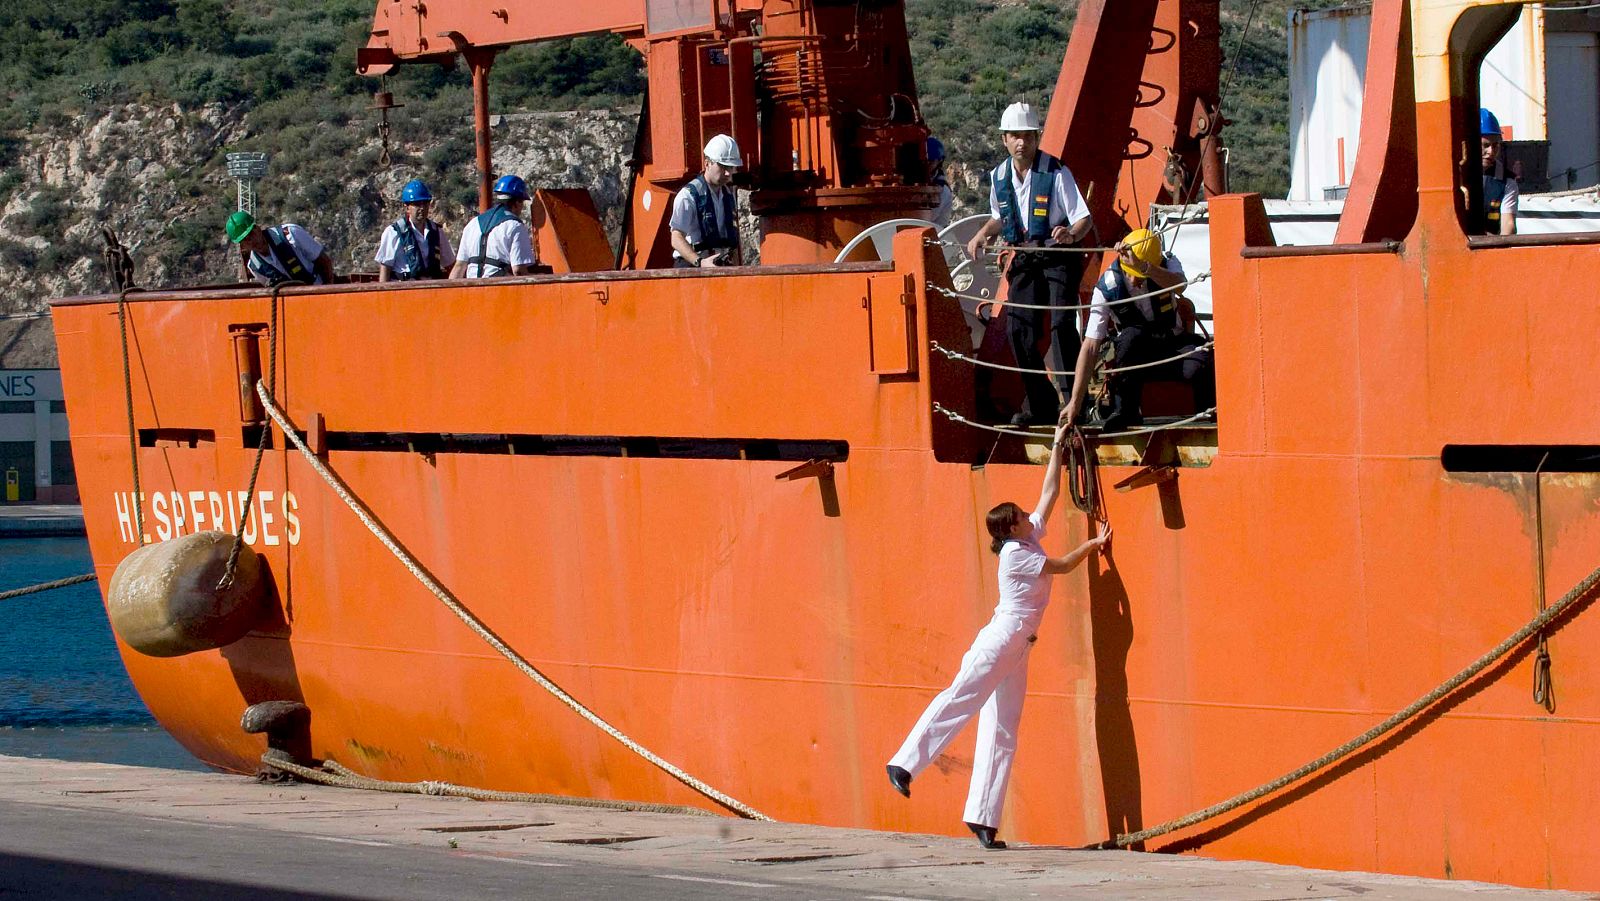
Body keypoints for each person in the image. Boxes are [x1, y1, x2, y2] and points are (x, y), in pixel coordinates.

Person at [887, 422, 1111, 849]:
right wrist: (1094, 544)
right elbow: (1062, 567)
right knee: (961, 698)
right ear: (1010, 530)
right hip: (1001, 639)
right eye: (1022, 518)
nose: (1031, 517)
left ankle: (984, 819)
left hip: (1020, 645)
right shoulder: (1014, 555)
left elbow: (1049, 494)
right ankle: (903, 764)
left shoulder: (1026, 540)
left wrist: (1057, 448)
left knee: (1003, 726)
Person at [964, 102, 1093, 426]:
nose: (1022, 142)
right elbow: (999, 216)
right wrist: (982, 234)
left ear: (1036, 137)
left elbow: (1083, 219)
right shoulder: (999, 176)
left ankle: (1077, 404)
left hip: (1057, 257)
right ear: (1005, 140)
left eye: (1027, 136)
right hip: (1024, 257)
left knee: (1062, 326)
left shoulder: (1057, 172)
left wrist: (1069, 235)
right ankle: (1043, 405)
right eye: (1015, 136)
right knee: (1018, 330)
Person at [1062, 228, 1212, 432]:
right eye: (1129, 273)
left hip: (1173, 345)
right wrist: (1075, 402)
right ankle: (1125, 411)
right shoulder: (1106, 288)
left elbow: (1180, 286)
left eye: (1138, 275)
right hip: (1136, 355)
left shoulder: (1166, 263)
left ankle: (1209, 415)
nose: (1134, 281)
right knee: (1131, 336)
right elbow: (1090, 346)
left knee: (1202, 360)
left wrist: (1146, 269)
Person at [670, 134, 743, 268]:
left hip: (718, 266)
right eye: (723, 166)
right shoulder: (688, 196)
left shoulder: (728, 194)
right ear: (707, 163)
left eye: (731, 167)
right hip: (691, 268)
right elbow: (676, 238)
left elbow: (732, 239)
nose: (728, 173)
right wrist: (701, 262)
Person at [450, 175, 538, 279]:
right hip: (499, 289)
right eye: (522, 202)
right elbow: (518, 270)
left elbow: (459, 267)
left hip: (472, 289)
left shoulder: (473, 224)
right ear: (517, 201)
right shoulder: (515, 226)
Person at [375, 179, 456, 282]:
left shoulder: (437, 231)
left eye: (425, 203)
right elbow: (385, 267)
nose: (422, 208)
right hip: (403, 290)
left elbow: (450, 265)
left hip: (432, 290)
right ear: (407, 207)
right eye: (417, 204)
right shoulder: (393, 232)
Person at [226, 211, 335, 287]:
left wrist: (328, 291)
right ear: (242, 245)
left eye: (251, 234)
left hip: (318, 292)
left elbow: (323, 261)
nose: (251, 241)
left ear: (257, 228)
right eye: (245, 240)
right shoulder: (255, 266)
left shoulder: (290, 234)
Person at [1477, 107, 1518, 236]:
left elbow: (1508, 225)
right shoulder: (1456, 177)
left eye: (1495, 145)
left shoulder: (1507, 181)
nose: (1491, 152)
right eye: (1485, 145)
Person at [926, 136, 954, 229]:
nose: (926, 165)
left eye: (930, 161)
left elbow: (927, 216)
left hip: (934, 233)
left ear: (939, 161)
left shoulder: (943, 191)